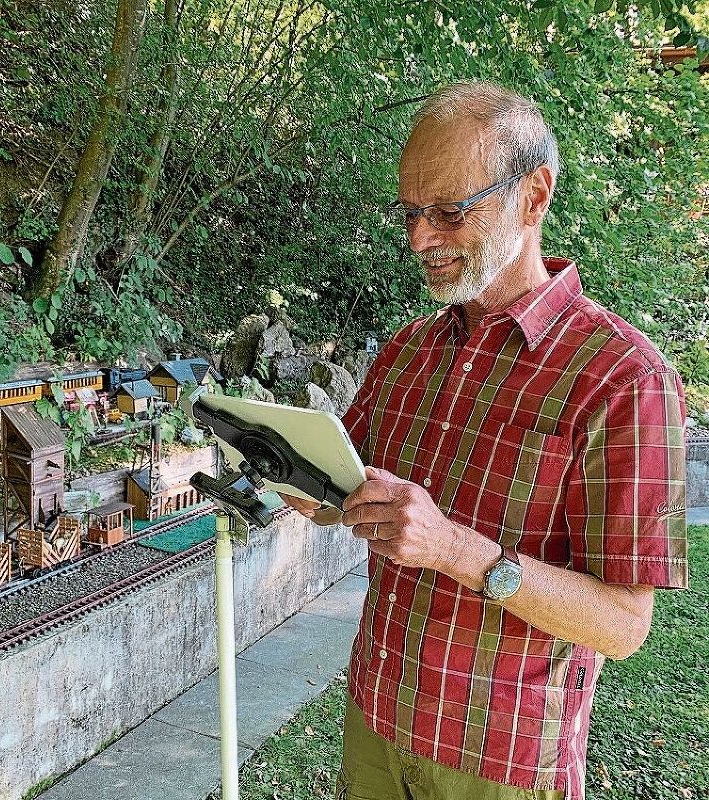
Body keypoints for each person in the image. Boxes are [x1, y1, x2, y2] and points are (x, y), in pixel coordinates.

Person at [283, 81, 688, 800]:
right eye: (409, 212)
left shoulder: (624, 377)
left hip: (499, 762)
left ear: (534, 197)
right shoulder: (409, 349)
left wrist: (455, 550)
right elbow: (336, 490)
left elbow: (625, 625)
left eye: (448, 212)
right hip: (375, 719)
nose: (419, 239)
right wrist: (282, 467)